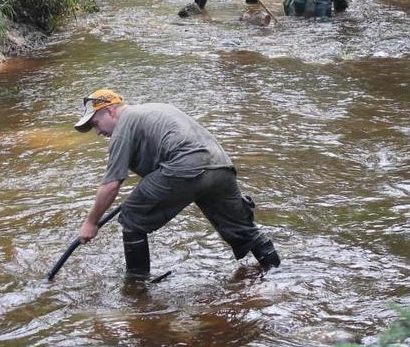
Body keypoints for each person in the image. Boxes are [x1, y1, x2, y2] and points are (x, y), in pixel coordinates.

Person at [74, 89, 280, 278]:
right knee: (243, 229)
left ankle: (137, 288)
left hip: (185, 169)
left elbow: (111, 185)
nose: (98, 132)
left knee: (131, 217)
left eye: (95, 124)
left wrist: (91, 222)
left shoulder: (123, 127)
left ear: (110, 111)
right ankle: (276, 273)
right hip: (220, 167)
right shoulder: (154, 109)